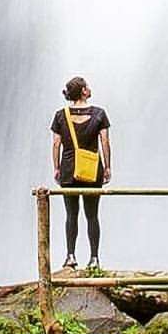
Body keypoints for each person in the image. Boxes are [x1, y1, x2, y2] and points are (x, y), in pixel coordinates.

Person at [51, 75, 111, 269]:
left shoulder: (61, 115)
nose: (90, 88)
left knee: (71, 215)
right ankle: (94, 259)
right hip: (92, 170)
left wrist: (57, 168)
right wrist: (108, 166)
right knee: (92, 215)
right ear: (84, 91)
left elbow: (56, 144)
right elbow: (105, 142)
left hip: (69, 170)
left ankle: (70, 256)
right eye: (87, 86)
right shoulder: (99, 114)